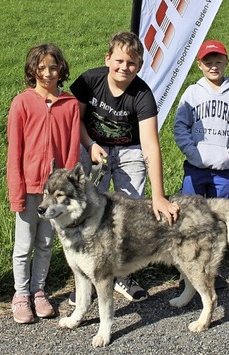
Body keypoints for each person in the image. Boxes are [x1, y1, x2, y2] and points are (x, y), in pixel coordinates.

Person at [69, 31, 180, 303]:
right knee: (85, 208)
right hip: (92, 145)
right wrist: (89, 144)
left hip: (129, 150)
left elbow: (150, 145)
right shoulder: (89, 80)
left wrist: (158, 195)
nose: (124, 67)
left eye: (131, 63)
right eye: (118, 61)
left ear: (139, 65)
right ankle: (85, 276)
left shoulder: (142, 94)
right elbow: (75, 118)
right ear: (107, 59)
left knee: (129, 212)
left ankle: (123, 274)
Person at [7, 44, 80, 324]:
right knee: (24, 245)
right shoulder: (22, 102)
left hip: (56, 194)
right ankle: (21, 294)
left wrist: (69, 193)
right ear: (32, 70)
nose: (47, 73)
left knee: (46, 243)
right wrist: (17, 192)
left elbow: (73, 152)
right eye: (41, 68)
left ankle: (39, 292)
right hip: (28, 188)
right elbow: (14, 152)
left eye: (53, 67)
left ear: (61, 69)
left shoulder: (70, 104)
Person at [173, 39, 229, 289]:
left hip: (223, 170)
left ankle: (211, 269)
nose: (214, 66)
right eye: (208, 62)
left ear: (226, 62)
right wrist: (192, 153)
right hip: (195, 168)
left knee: (217, 219)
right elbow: (180, 126)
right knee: (189, 218)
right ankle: (186, 270)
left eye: (218, 61)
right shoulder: (192, 92)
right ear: (200, 65)